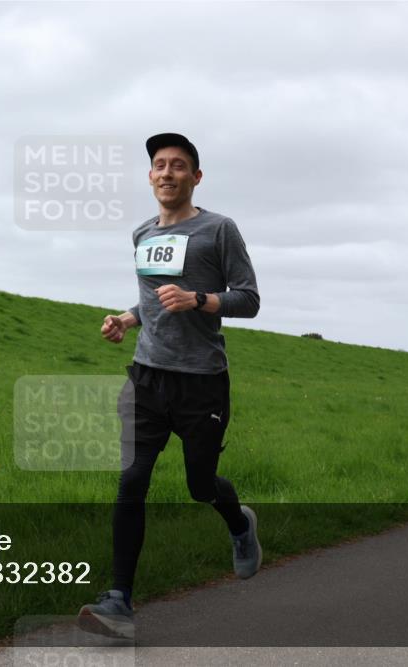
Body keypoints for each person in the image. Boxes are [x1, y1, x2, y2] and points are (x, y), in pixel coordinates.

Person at [77, 133, 262, 640]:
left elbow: (248, 298)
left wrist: (199, 299)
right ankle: (118, 601)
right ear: (150, 176)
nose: (167, 173)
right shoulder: (140, 234)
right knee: (131, 480)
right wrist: (128, 318)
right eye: (159, 165)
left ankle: (240, 524)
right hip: (147, 376)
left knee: (200, 485)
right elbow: (154, 301)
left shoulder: (219, 229)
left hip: (201, 381)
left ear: (195, 177)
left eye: (178, 166)